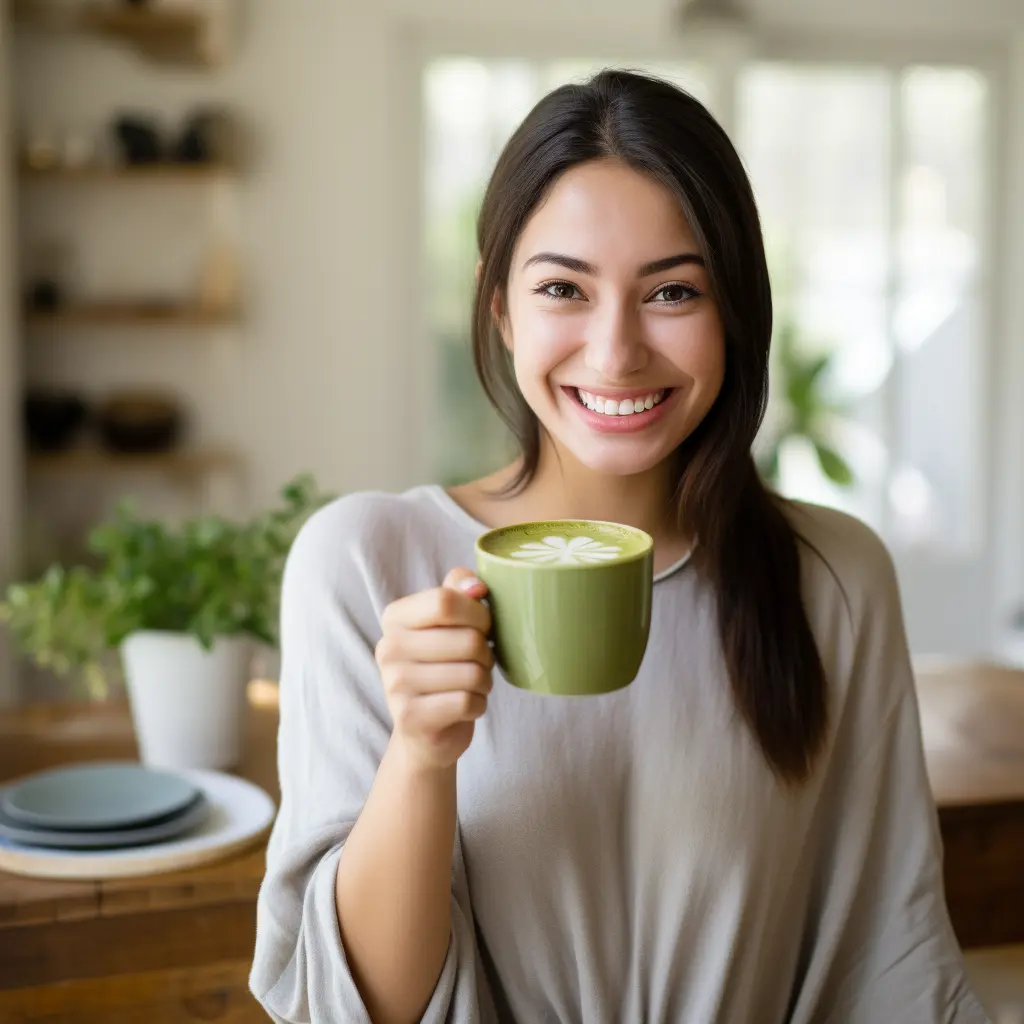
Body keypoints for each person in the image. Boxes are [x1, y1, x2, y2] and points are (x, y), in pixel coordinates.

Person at [249, 70, 989, 1024]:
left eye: (673, 291)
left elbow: (889, 956)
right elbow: (364, 1008)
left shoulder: (834, 576)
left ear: (736, 312)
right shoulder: (363, 561)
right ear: (500, 307)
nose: (615, 351)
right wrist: (422, 756)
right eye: (563, 287)